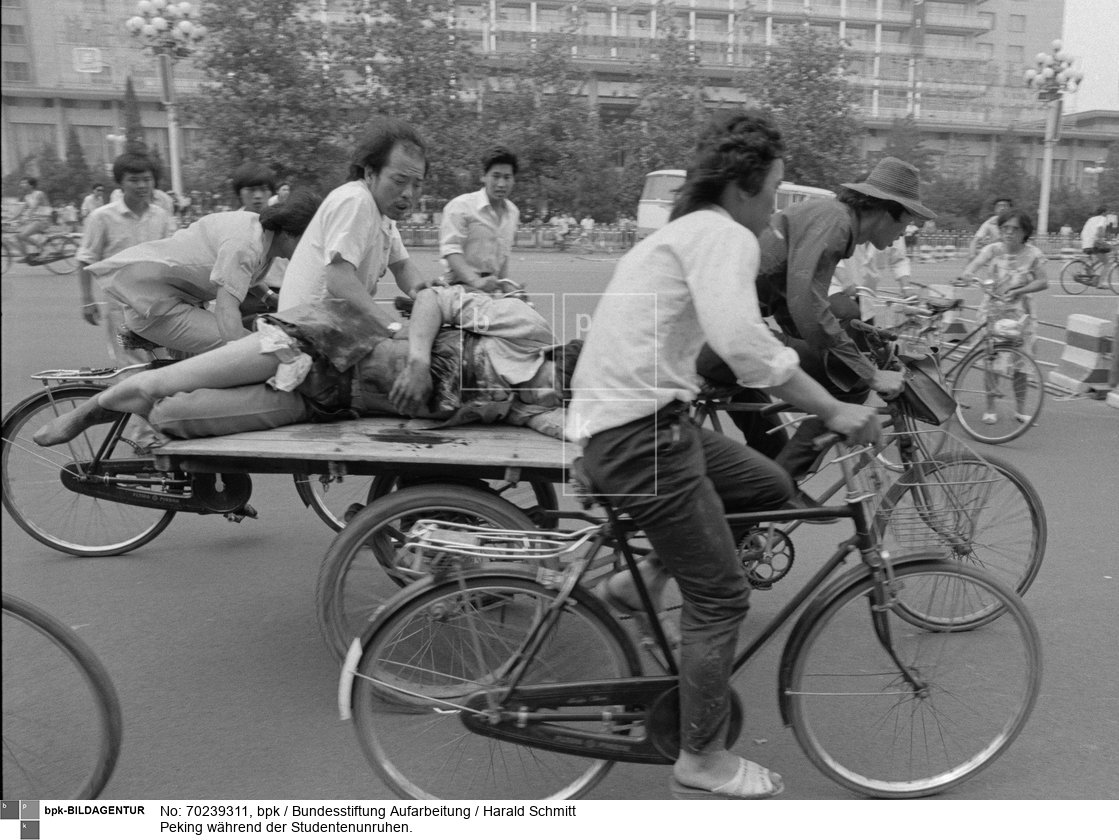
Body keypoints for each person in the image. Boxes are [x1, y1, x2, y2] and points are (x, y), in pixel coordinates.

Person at [565, 110, 880, 800]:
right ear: (740, 190)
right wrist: (832, 408)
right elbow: (743, 347)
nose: (774, 210)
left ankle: (638, 579)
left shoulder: (690, 231)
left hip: (631, 425)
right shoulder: (722, 235)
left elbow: (745, 340)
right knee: (720, 598)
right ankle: (700, 758)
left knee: (768, 485)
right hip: (639, 436)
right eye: (770, 194)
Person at [698, 155, 933, 486]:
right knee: (848, 379)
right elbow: (806, 303)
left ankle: (755, 508)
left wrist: (845, 347)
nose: (903, 235)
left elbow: (789, 302)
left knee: (775, 447)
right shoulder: (835, 223)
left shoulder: (830, 218)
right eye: (905, 223)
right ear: (885, 210)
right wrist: (869, 372)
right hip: (724, 337)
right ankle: (781, 490)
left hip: (720, 334)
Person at [90, 191, 321, 356]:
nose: (313, 250)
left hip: (180, 300)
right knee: (253, 348)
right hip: (157, 307)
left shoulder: (261, 234)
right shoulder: (246, 245)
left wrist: (268, 298)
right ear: (289, 233)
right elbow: (226, 309)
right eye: (310, 241)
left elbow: (238, 274)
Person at [77, 152, 178, 364]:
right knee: (131, 365)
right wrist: (87, 300)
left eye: (147, 179)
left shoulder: (161, 216)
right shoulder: (102, 217)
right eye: (134, 180)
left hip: (158, 302)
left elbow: (172, 254)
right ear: (120, 183)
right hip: (120, 305)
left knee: (164, 363)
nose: (142, 185)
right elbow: (85, 258)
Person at [959, 209, 1049, 424]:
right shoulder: (993, 249)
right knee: (992, 361)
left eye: (1015, 229)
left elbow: (1043, 282)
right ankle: (990, 408)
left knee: (1021, 363)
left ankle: (1020, 409)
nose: (1009, 232)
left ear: (1025, 232)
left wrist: (1020, 290)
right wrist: (967, 274)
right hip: (993, 312)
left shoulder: (1034, 254)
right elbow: (975, 263)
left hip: (1020, 315)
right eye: (1004, 228)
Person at [439, 146, 521, 289]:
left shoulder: (513, 212)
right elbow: (451, 250)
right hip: (459, 285)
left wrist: (505, 285)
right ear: (483, 176)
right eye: (496, 176)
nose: (501, 184)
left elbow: (503, 256)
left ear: (513, 180)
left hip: (491, 287)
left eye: (507, 177)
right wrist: (476, 281)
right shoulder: (461, 206)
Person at [828, 235, 913, 324]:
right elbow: (832, 252)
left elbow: (899, 259)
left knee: (870, 333)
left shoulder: (896, 228)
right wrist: (845, 280)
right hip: (836, 287)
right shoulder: (848, 225)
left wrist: (906, 288)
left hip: (865, 295)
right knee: (851, 314)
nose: (900, 235)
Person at [14, 176, 53, 262]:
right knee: (18, 237)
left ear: (31, 185)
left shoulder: (39, 194)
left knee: (22, 235)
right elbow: (21, 210)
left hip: (44, 220)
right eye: (21, 183)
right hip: (35, 220)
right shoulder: (27, 196)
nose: (21, 184)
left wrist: (26, 217)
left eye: (24, 183)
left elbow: (34, 207)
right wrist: (10, 219)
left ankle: (45, 249)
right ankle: (27, 256)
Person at [966, 197, 1013, 264]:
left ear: (1010, 209)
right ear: (995, 209)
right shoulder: (990, 223)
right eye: (999, 206)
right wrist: (972, 255)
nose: (1002, 208)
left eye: (1005, 206)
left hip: (1014, 256)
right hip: (996, 257)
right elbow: (975, 240)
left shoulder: (1017, 221)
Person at [1081, 205, 1112, 276]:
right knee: (1107, 263)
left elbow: (1084, 233)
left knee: (1102, 257)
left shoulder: (1091, 219)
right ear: (1104, 212)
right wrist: (1103, 240)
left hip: (1085, 244)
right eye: (1107, 212)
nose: (1108, 214)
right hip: (1094, 244)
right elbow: (1100, 230)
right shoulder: (1103, 218)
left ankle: (1089, 267)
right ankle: (1101, 283)